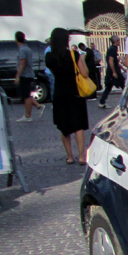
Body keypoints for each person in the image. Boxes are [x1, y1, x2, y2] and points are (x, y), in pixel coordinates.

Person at [46, 27, 91, 165]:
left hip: (59, 93)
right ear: (66, 40)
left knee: (63, 126)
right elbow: (85, 73)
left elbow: (54, 73)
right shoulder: (74, 55)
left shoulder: (49, 57)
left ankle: (70, 156)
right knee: (78, 126)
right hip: (75, 93)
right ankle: (82, 156)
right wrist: (81, 59)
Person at [13, 31, 44, 123]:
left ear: (16, 39)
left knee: (26, 95)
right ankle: (38, 105)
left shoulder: (22, 50)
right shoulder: (27, 48)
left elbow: (22, 64)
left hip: (25, 75)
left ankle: (28, 115)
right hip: (28, 74)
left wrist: (17, 76)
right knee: (26, 93)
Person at [98, 35, 125, 109]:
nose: (119, 42)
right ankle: (127, 103)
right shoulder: (113, 49)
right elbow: (111, 60)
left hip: (111, 72)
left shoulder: (112, 48)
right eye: (118, 40)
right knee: (124, 86)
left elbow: (114, 62)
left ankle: (102, 102)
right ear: (115, 41)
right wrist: (114, 72)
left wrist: (121, 67)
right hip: (114, 72)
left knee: (108, 87)